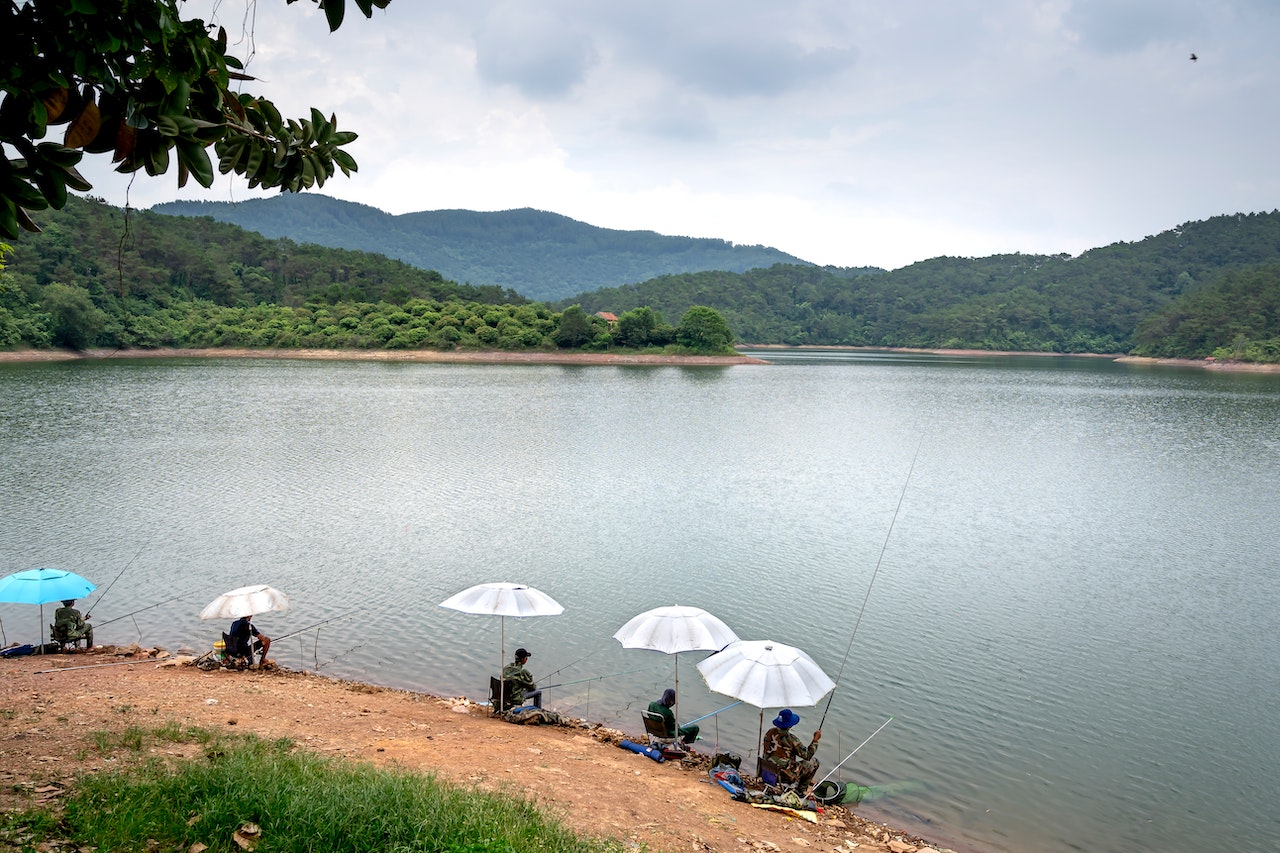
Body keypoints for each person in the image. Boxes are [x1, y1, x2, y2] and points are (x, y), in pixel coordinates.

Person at [762, 708, 822, 791]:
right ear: (790, 725)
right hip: (782, 776)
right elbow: (807, 755)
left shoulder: (769, 732)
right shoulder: (791, 739)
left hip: (766, 771)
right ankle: (800, 790)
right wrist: (815, 740)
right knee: (814, 762)